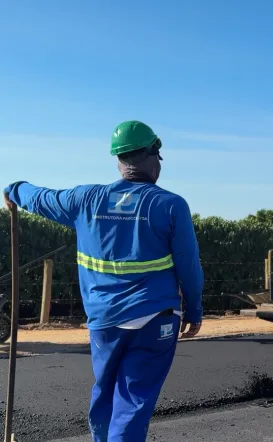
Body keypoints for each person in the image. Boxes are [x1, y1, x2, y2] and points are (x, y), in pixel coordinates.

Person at [3, 120, 204, 442]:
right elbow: (188, 265)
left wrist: (14, 189)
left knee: (105, 392)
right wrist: (194, 310)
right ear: (153, 157)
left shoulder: (85, 199)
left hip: (104, 320)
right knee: (133, 400)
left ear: (119, 160)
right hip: (155, 318)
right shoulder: (170, 205)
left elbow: (40, 197)